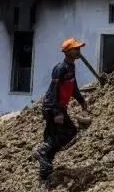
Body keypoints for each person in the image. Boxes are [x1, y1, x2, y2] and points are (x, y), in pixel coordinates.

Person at [33, 38, 90, 185]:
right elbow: (54, 90)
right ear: (67, 51)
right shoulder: (60, 68)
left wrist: (81, 100)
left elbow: (73, 86)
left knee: (63, 133)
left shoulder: (71, 68)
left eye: (79, 48)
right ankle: (41, 153)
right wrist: (57, 111)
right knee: (61, 133)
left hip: (58, 107)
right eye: (75, 49)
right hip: (53, 107)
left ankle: (45, 172)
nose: (78, 51)